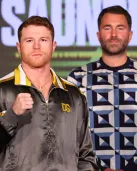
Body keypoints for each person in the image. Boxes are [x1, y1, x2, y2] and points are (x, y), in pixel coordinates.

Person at [0, 16, 99, 171]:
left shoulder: (73, 95)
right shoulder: (2, 90)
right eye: (29, 40)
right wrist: (11, 116)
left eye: (43, 40)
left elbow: (85, 155)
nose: (37, 46)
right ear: (19, 47)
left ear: (53, 46)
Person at [68, 5, 137, 171]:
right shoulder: (77, 78)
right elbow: (72, 131)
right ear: (98, 35)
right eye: (107, 28)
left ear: (130, 35)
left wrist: (132, 167)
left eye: (120, 28)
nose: (113, 35)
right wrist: (99, 168)